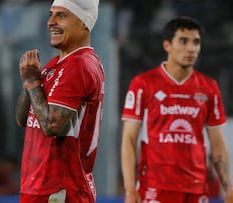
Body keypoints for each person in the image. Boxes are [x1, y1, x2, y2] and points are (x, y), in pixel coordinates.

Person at [120, 16, 233, 203]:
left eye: (196, 42)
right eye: (183, 41)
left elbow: (217, 144)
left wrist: (228, 187)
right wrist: (130, 188)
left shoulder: (209, 87)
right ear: (167, 46)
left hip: (196, 189)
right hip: (155, 188)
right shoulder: (143, 84)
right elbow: (129, 140)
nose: (191, 48)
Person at [15, 0, 104, 202]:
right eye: (50, 14)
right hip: (38, 186)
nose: (51, 22)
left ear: (84, 23)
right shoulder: (55, 64)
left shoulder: (80, 65)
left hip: (61, 190)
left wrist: (32, 81)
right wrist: (30, 81)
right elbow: (22, 119)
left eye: (61, 15)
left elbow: (52, 126)